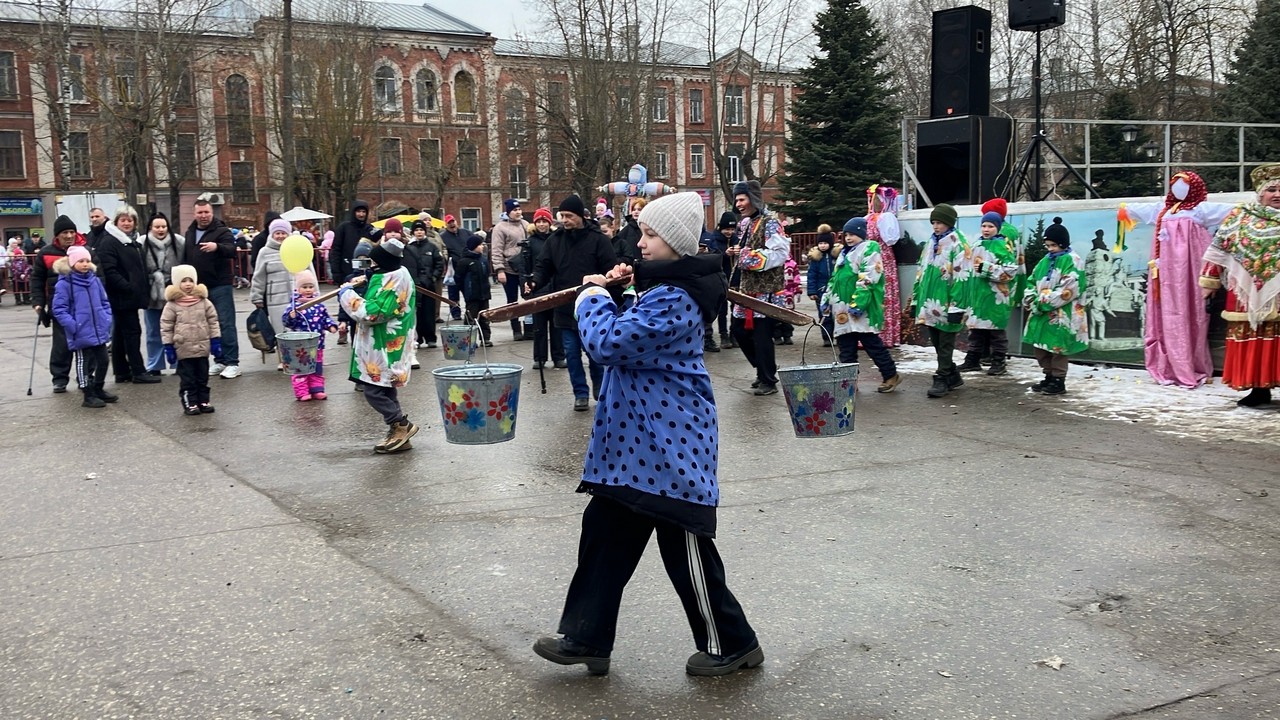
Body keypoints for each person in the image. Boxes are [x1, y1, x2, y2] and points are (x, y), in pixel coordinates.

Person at [533, 191, 762, 678]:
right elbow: (634, 326)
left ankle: (733, 643)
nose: (640, 242)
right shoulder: (664, 287)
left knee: (686, 549)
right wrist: (620, 292)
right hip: (633, 447)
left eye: (652, 235)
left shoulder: (678, 296)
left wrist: (593, 296)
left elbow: (610, 342)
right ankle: (587, 638)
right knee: (603, 537)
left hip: (668, 445)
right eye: (641, 232)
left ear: (677, 242)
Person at [1123, 172, 1233, 388]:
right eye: (1174, 184)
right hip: (1163, 274)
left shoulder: (1200, 210)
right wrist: (1125, 209)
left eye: (1183, 184)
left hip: (1189, 271)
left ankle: (1190, 365)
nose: (1178, 188)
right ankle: (1167, 364)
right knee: (1164, 314)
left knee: (1193, 313)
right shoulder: (1162, 209)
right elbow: (1134, 210)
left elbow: (1233, 211)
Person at [527, 194, 619, 411]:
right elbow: (543, 266)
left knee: (594, 353)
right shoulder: (555, 240)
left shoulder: (598, 240)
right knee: (571, 353)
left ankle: (600, 389)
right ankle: (580, 393)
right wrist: (534, 281)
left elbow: (610, 269)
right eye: (562, 216)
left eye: (569, 216)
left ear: (580, 216)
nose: (565, 220)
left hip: (593, 308)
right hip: (565, 308)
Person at [1200, 163, 1280, 407]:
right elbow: (1219, 250)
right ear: (1260, 193)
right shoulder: (1240, 217)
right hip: (1246, 293)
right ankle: (1259, 389)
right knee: (1255, 337)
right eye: (1272, 190)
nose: (1277, 194)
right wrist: (1210, 280)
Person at [338, 238, 418, 453]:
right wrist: (368, 279)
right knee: (385, 388)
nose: (371, 267)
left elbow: (373, 313)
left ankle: (400, 424)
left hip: (385, 345)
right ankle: (399, 434)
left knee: (373, 391)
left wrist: (348, 296)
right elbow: (378, 289)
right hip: (382, 345)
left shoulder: (395, 282)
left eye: (374, 263)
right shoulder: (392, 274)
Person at [821, 217, 901, 392]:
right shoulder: (844, 253)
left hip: (861, 309)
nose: (849, 238)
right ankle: (849, 382)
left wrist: (859, 303)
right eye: (846, 235)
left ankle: (890, 375)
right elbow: (835, 279)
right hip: (842, 310)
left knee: (872, 344)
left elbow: (869, 277)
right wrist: (826, 299)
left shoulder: (869, 248)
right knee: (846, 347)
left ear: (862, 234)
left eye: (853, 234)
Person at [726, 180, 790, 395]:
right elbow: (749, 248)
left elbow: (780, 254)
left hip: (766, 289)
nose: (738, 204)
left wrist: (746, 257)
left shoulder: (770, 222)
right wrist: (736, 252)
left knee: (762, 335)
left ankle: (767, 379)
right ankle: (765, 369)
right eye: (736, 200)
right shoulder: (747, 223)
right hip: (747, 289)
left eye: (741, 199)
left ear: (752, 199)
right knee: (738, 330)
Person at [912, 203, 972, 398]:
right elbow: (921, 271)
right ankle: (953, 374)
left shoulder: (958, 243)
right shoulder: (931, 242)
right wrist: (915, 300)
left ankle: (942, 378)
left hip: (947, 304)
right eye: (933, 222)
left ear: (949, 222)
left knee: (945, 344)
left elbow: (962, 277)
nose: (936, 226)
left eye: (940, 222)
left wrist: (957, 306)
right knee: (937, 342)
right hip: (930, 303)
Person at [1024, 218, 1088, 395]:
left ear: (1063, 244)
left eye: (1054, 245)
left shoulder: (1073, 261)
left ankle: (1059, 379)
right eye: (1048, 245)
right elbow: (1031, 281)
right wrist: (1030, 298)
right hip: (1042, 313)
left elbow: (1069, 289)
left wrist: (1041, 302)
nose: (1050, 249)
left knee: (1058, 348)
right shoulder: (1045, 261)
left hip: (1061, 314)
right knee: (1041, 347)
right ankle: (1048, 375)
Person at [98, 204, 160, 385]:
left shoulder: (132, 241)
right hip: (121, 296)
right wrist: (127, 286)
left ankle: (122, 371)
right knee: (132, 333)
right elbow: (109, 269)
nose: (127, 223)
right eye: (123, 220)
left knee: (120, 334)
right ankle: (138, 371)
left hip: (130, 295)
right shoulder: (110, 242)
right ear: (116, 222)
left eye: (130, 220)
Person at [960, 208, 1024, 377]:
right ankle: (973, 359)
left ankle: (998, 362)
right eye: (984, 226)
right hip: (977, 297)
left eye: (990, 226)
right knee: (976, 330)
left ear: (998, 228)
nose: (986, 229)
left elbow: (1010, 272)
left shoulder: (1003, 246)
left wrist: (986, 268)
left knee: (996, 332)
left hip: (996, 296)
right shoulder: (976, 245)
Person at [181, 199, 240, 378]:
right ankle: (219, 360)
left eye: (206, 212)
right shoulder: (190, 233)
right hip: (199, 288)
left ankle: (232, 362)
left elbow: (232, 250)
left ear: (212, 213)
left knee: (225, 323)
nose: (203, 216)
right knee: (208, 326)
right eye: (200, 212)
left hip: (220, 285)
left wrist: (217, 247)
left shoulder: (222, 231)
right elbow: (186, 257)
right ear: (194, 214)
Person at [51, 246, 115, 408]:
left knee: (103, 360)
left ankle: (98, 387)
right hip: (80, 331)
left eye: (87, 261)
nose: (85, 264)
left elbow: (104, 302)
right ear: (72, 263)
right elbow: (59, 309)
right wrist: (73, 325)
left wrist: (106, 318)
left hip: (98, 329)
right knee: (83, 363)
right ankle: (88, 393)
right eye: (80, 261)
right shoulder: (65, 284)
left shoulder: (95, 281)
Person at [161, 264, 222, 415]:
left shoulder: (204, 302)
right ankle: (191, 402)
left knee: (202, 376)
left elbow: (213, 321)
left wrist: (215, 340)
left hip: (202, 346)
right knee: (188, 378)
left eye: (190, 280)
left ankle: (203, 400)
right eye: (183, 281)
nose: (188, 284)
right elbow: (166, 326)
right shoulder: (172, 305)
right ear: (176, 283)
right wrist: (168, 346)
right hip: (184, 348)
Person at [31, 215, 81, 393]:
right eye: (65, 233)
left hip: (83, 306)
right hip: (59, 307)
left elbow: (98, 277)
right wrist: (38, 303)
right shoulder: (45, 253)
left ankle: (86, 376)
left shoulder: (85, 250)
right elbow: (37, 279)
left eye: (72, 232)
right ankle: (59, 378)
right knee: (61, 345)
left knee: (86, 344)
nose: (69, 236)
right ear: (57, 235)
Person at [281, 269, 338, 401]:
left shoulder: (319, 305)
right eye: (304, 287)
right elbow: (287, 323)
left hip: (317, 343)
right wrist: (291, 317)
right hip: (300, 345)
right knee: (301, 368)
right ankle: (302, 391)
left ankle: (317, 389)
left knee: (317, 367)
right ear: (298, 289)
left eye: (311, 286)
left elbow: (325, 318)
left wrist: (331, 325)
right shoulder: (295, 306)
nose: (308, 290)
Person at [523, 207, 566, 369]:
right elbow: (525, 267)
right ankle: (539, 358)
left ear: (549, 223)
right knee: (539, 327)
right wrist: (527, 285)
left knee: (556, 325)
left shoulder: (556, 239)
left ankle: (558, 356)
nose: (542, 224)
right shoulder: (530, 242)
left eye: (544, 221)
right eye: (539, 221)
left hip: (555, 287)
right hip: (538, 288)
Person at [250, 217, 296, 370]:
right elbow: (259, 276)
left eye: (283, 233)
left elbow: (309, 270)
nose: (280, 236)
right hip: (275, 298)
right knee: (280, 330)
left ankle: (300, 358)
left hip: (296, 296)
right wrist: (257, 296)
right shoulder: (264, 252)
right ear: (272, 234)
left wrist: (314, 291)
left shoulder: (296, 248)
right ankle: (284, 359)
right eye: (277, 233)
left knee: (296, 329)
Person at [141, 213, 181, 376]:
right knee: (153, 331)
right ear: (151, 228)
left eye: (163, 226)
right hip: (152, 292)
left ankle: (179, 363)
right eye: (157, 227)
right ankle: (155, 365)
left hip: (174, 291)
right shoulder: (142, 243)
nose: (160, 229)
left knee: (177, 329)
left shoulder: (179, 242)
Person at [865, 185, 904, 347]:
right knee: (875, 291)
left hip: (878, 257)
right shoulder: (876, 217)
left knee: (880, 291)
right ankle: (876, 334)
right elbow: (890, 239)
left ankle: (881, 335)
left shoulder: (880, 218)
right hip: (876, 256)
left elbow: (890, 239)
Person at [489, 198, 529, 341]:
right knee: (512, 300)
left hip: (524, 268)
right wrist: (499, 270)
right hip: (508, 269)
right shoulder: (500, 228)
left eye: (519, 209)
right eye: (514, 210)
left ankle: (529, 328)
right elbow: (496, 250)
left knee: (529, 298)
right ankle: (516, 329)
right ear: (508, 212)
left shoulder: (525, 224)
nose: (518, 212)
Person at [703, 211, 738, 349]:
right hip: (721, 278)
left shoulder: (736, 239)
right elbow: (714, 256)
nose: (729, 232)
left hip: (734, 278)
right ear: (720, 227)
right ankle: (724, 335)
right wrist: (725, 254)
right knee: (722, 309)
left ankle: (734, 334)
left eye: (732, 229)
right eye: (727, 229)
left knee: (736, 308)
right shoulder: (714, 239)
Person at [407, 219, 444, 349]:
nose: (419, 232)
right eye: (416, 230)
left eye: (421, 230)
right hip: (414, 285)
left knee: (429, 312)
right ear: (413, 232)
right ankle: (417, 338)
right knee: (416, 313)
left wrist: (433, 277)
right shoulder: (409, 248)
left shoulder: (432, 247)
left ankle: (430, 338)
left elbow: (439, 263)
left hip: (429, 285)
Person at [456, 235, 493, 346]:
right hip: (472, 294)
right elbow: (458, 278)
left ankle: (485, 338)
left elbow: (487, 274)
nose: (482, 246)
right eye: (480, 245)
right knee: (471, 317)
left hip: (484, 293)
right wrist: (466, 290)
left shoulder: (483, 260)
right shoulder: (464, 261)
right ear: (473, 246)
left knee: (485, 317)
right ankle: (469, 340)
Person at [806, 225, 839, 346]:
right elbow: (811, 276)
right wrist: (812, 291)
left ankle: (840, 336)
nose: (823, 246)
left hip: (837, 290)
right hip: (822, 291)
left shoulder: (836, 256)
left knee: (838, 314)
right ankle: (827, 337)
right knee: (825, 314)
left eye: (825, 243)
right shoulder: (816, 259)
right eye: (820, 243)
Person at [440, 213, 472, 320]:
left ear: (456, 222)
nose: (452, 224)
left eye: (453, 221)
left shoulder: (466, 233)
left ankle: (470, 311)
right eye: (449, 223)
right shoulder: (442, 237)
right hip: (452, 269)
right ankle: (456, 313)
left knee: (468, 291)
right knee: (453, 293)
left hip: (467, 268)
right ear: (446, 224)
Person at [613, 197, 645, 264]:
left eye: (639, 209)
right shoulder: (626, 230)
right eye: (634, 209)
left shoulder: (650, 228)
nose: (636, 212)